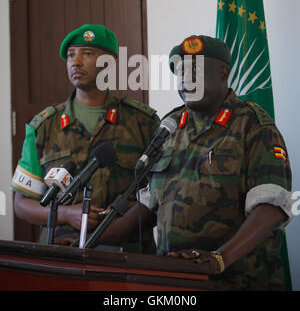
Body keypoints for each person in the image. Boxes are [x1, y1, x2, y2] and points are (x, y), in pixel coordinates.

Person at [93, 35, 293, 291]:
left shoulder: (253, 125)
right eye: (180, 73)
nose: (186, 79)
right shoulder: (170, 127)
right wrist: (89, 240)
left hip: (239, 281)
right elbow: (149, 205)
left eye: (195, 71)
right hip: (175, 280)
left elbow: (271, 208)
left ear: (223, 73)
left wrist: (219, 259)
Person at [11, 24, 160, 252]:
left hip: (128, 256)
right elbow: (21, 204)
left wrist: (117, 225)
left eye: (87, 54)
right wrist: (66, 214)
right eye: (71, 55)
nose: (75, 62)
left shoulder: (143, 123)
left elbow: (159, 195)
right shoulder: (44, 126)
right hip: (62, 255)